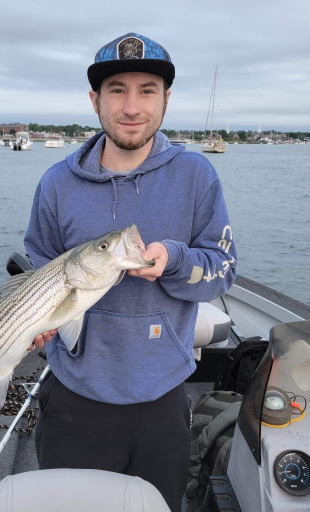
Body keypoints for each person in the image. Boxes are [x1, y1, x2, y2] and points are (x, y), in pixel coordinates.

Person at [24, 32, 237, 511]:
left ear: (165, 100)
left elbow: (223, 270)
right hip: (75, 395)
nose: (132, 106)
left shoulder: (196, 175)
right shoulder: (57, 182)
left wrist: (176, 260)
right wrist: (37, 324)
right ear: (96, 100)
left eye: (148, 90)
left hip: (161, 396)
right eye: (117, 89)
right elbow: (39, 264)